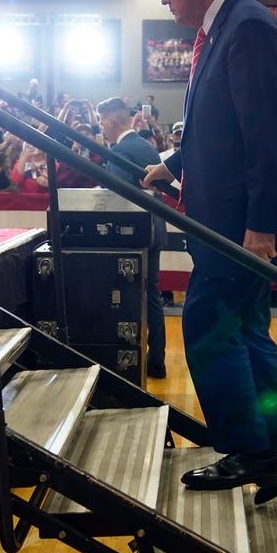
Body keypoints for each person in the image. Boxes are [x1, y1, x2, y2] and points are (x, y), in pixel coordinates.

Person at [139, 0, 277, 502]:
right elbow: (223, 125)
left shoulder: (246, 28)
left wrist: (262, 225)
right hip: (231, 214)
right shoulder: (226, 29)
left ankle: (252, 449)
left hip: (243, 223)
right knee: (246, 330)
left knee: (207, 326)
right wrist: (173, 163)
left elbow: (268, 135)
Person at [98, 96, 167, 380]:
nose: (100, 128)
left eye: (102, 123)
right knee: (152, 295)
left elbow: (115, 193)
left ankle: (125, 356)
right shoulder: (145, 147)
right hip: (155, 228)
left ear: (112, 122)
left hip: (131, 234)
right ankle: (156, 358)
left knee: (125, 294)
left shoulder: (121, 151)